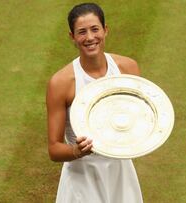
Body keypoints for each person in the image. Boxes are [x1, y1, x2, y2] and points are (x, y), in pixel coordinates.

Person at [46, 3, 143, 203]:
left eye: (95, 29)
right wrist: (76, 151)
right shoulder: (61, 83)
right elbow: (54, 149)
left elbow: (140, 117)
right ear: (72, 37)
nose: (90, 38)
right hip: (82, 180)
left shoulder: (128, 68)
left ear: (105, 30)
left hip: (120, 173)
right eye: (82, 32)